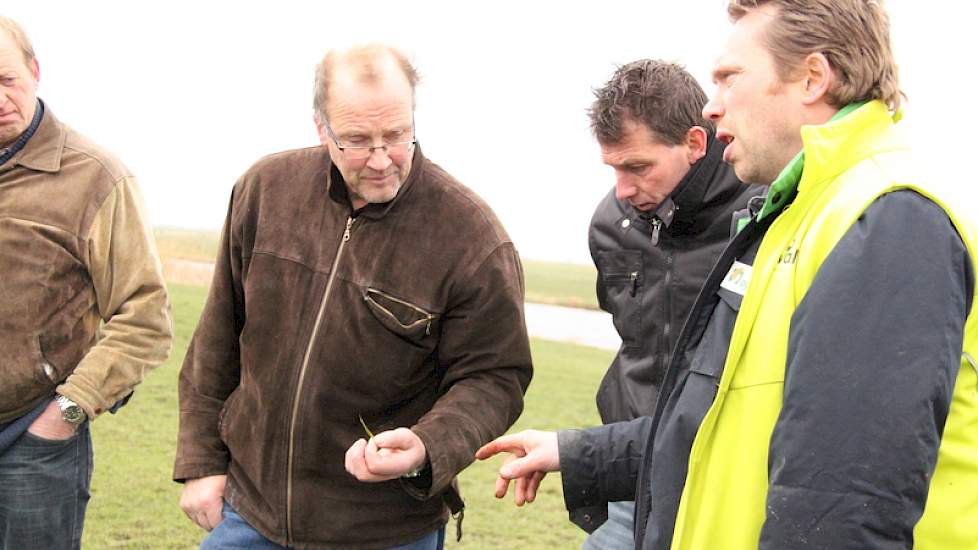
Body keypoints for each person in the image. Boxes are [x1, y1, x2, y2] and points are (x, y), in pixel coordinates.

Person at [476, 1, 978, 548]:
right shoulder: (796, 215)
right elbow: (720, 426)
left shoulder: (884, 218)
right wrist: (579, 454)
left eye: (729, 78)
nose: (711, 108)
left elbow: (839, 507)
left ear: (812, 77)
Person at [174, 43, 533, 550]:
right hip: (250, 513)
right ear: (322, 129)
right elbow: (217, 336)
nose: (383, 159)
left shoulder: (471, 237)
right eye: (359, 141)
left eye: (397, 135)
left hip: (383, 530)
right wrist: (202, 463)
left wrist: (427, 446)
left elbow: (496, 378)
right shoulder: (264, 190)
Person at [0, 16, 172, 550]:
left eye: (6, 79)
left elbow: (145, 316)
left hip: (29, 442)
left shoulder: (93, 176)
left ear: (35, 70)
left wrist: (67, 411)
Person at [580, 59, 759, 549]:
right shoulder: (610, 225)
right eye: (614, 168)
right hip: (631, 481)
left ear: (695, 144)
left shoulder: (764, 218)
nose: (622, 189)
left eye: (638, 166)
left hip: (722, 480)